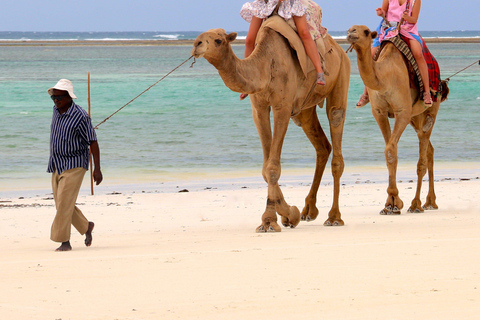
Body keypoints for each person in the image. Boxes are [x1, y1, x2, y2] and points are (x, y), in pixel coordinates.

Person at [47, 79, 103, 251]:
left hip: (75, 164)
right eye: (53, 98)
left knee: (64, 204)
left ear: (69, 97)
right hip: (57, 163)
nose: (56, 101)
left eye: (59, 97)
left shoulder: (81, 116)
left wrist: (97, 169)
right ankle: (86, 227)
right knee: (62, 203)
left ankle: (65, 241)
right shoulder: (56, 111)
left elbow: (93, 142)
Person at [239, 0, 326, 100]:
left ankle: (319, 71)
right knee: (249, 40)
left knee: (305, 33)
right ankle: (248, 79)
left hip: (289, 3)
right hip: (265, 3)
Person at [356, 0, 433, 107]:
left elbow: (414, 20)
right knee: (371, 56)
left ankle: (426, 92)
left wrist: (407, 18)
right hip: (387, 29)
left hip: (408, 29)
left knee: (418, 54)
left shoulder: (416, 1)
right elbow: (384, 12)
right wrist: (380, 13)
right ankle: (366, 93)